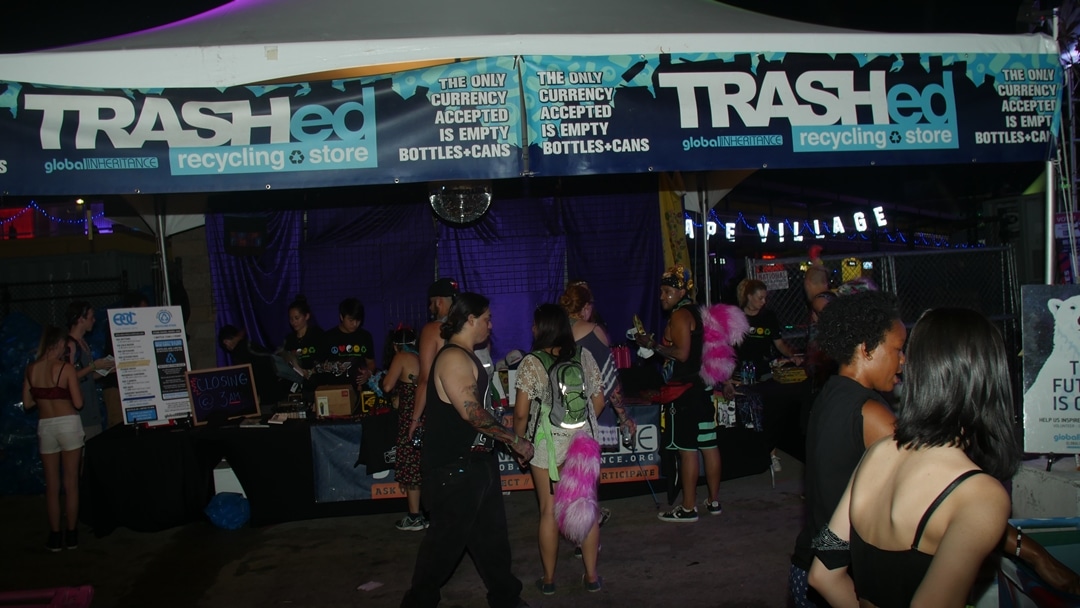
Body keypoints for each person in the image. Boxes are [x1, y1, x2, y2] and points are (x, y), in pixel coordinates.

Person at [807, 309, 1020, 607]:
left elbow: (823, 574)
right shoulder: (979, 495)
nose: (902, 360)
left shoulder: (879, 453)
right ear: (989, 377)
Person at [400, 292, 533, 608]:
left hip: (475, 465)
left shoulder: (467, 356)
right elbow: (471, 413)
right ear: (470, 319)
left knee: (492, 541)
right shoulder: (453, 358)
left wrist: (499, 428)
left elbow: (479, 408)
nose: (491, 324)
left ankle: (506, 599)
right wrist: (514, 440)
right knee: (443, 547)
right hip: (455, 468)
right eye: (487, 318)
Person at [787, 290, 904, 607]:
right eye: (897, 349)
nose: (903, 360)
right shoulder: (871, 414)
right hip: (838, 577)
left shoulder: (832, 392)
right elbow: (929, 491)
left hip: (808, 562)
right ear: (867, 349)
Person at [513, 304, 606, 594]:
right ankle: (592, 577)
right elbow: (599, 401)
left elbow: (520, 413)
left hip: (547, 446)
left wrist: (519, 443)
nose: (532, 329)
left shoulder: (531, 362)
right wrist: (580, 429)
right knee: (586, 505)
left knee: (548, 510)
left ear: (543, 328)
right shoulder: (583, 355)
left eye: (535, 324)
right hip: (582, 444)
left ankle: (549, 581)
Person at [635, 265, 721, 522]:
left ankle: (688, 507)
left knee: (687, 449)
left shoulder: (681, 315)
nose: (662, 296)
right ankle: (714, 501)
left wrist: (653, 345)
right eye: (661, 291)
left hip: (685, 391)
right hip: (702, 386)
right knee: (709, 444)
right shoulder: (698, 312)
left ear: (681, 291)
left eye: (667, 291)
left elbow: (682, 354)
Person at [559, 281, 636, 536]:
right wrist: (624, 417)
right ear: (586, 308)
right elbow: (610, 382)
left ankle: (571, 524)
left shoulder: (551, 333)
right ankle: (586, 533)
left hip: (558, 418)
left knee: (567, 477)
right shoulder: (594, 331)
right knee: (588, 477)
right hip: (591, 415)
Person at [23, 326, 85, 552]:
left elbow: (28, 403)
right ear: (59, 344)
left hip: (46, 426)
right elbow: (78, 403)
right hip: (68, 424)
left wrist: (45, 395)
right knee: (71, 483)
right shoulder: (65, 369)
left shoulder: (31, 369)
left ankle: (55, 535)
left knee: (52, 486)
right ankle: (72, 535)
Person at [381, 325, 425, 531]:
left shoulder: (401, 357)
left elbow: (387, 386)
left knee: (411, 468)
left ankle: (414, 517)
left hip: (410, 419)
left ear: (395, 345)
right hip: (426, 416)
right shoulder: (423, 357)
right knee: (424, 466)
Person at [408, 278, 459, 442]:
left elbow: (425, 378)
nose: (430, 308)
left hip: (445, 411)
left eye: (431, 303)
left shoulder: (433, 330)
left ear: (438, 302)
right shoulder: (472, 328)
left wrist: (415, 419)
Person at [66, 301, 115, 440]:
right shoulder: (70, 345)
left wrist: (106, 369)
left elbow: (87, 376)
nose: (94, 320)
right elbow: (68, 378)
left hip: (91, 405)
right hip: (80, 410)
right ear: (81, 319)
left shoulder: (83, 343)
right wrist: (94, 366)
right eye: (91, 317)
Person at [734, 278, 800, 378]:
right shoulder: (736, 316)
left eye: (765, 298)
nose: (764, 301)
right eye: (760, 298)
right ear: (749, 297)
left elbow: (779, 344)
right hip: (742, 370)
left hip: (764, 368)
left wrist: (792, 355)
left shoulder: (769, 316)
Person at [310, 298, 375, 389]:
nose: (355, 324)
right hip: (334, 388)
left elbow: (371, 363)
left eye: (358, 320)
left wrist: (368, 373)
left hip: (359, 389)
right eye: (351, 320)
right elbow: (317, 365)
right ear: (341, 317)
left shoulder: (365, 336)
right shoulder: (328, 337)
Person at [218, 325, 286, 406]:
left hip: (265, 396)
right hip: (277, 389)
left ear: (226, 342)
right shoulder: (249, 345)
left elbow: (245, 379)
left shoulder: (239, 352)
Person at [280, 294, 323, 383]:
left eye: (297, 318)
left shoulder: (317, 335)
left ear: (306, 316)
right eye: (291, 319)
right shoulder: (289, 339)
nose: (294, 322)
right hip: (296, 384)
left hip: (317, 382)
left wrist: (310, 371)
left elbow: (324, 360)